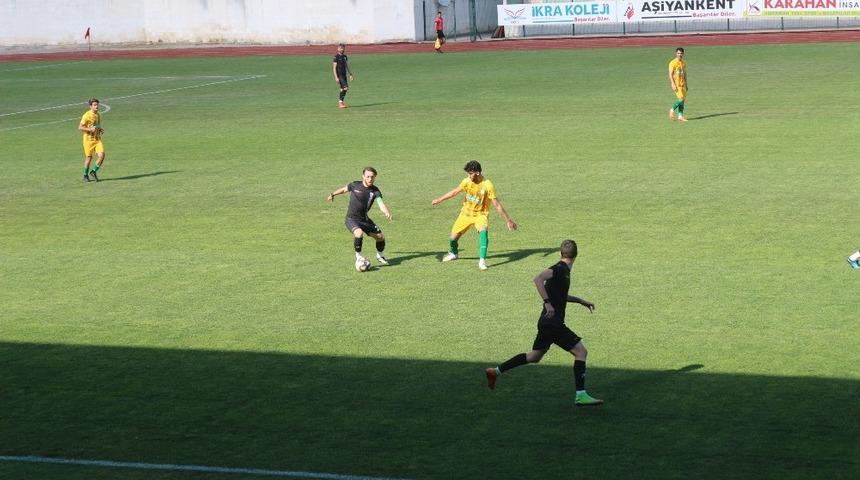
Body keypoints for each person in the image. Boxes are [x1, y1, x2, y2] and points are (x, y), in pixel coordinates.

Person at [484, 239, 603, 406]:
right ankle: (580, 395)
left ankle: (495, 371)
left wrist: (581, 301)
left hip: (546, 323)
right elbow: (538, 278)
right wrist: (547, 303)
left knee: (534, 356)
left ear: (561, 253)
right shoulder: (559, 269)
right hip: (553, 323)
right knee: (581, 352)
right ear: (576, 255)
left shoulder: (564, 271)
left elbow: (561, 295)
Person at [431, 160, 517, 271]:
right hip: (465, 214)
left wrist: (508, 221)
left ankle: (482, 260)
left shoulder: (487, 185)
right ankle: (454, 253)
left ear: (477, 172)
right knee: (452, 239)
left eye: (470, 173)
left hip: (480, 215)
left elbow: (497, 205)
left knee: (483, 232)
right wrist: (439, 200)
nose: (469, 176)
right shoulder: (466, 182)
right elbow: (455, 192)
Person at [327, 167, 392, 267]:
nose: (370, 179)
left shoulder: (375, 191)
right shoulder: (354, 185)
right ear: (363, 177)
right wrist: (333, 194)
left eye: (372, 177)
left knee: (381, 237)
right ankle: (359, 257)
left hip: (364, 220)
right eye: (368, 176)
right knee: (359, 233)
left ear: (375, 178)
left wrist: (386, 211)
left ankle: (380, 255)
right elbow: (344, 189)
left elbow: (380, 203)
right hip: (351, 219)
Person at [78, 97, 105, 182]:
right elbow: (80, 127)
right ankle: (85, 175)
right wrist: (89, 129)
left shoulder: (99, 114)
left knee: (102, 155)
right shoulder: (86, 115)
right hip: (88, 140)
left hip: (97, 139)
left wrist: (100, 129)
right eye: (94, 105)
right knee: (89, 158)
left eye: (97, 104)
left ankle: (93, 171)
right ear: (90, 106)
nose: (96, 106)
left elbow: (96, 124)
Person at [668, 47, 688, 122]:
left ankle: (680, 116)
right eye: (678, 53)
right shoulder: (672, 63)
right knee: (681, 99)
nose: (680, 55)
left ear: (683, 54)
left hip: (683, 84)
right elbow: (670, 74)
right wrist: (672, 83)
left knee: (682, 101)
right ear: (676, 54)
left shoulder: (683, 62)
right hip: (677, 84)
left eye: (681, 53)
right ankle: (671, 110)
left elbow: (684, 74)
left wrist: (686, 84)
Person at [332, 43, 354, 109]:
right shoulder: (336, 57)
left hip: (344, 75)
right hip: (340, 75)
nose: (342, 49)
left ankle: (341, 102)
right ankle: (340, 102)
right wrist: (336, 77)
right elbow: (334, 68)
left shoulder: (345, 56)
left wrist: (350, 74)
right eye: (340, 48)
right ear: (338, 49)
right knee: (345, 88)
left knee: (342, 89)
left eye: (343, 48)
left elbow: (347, 65)